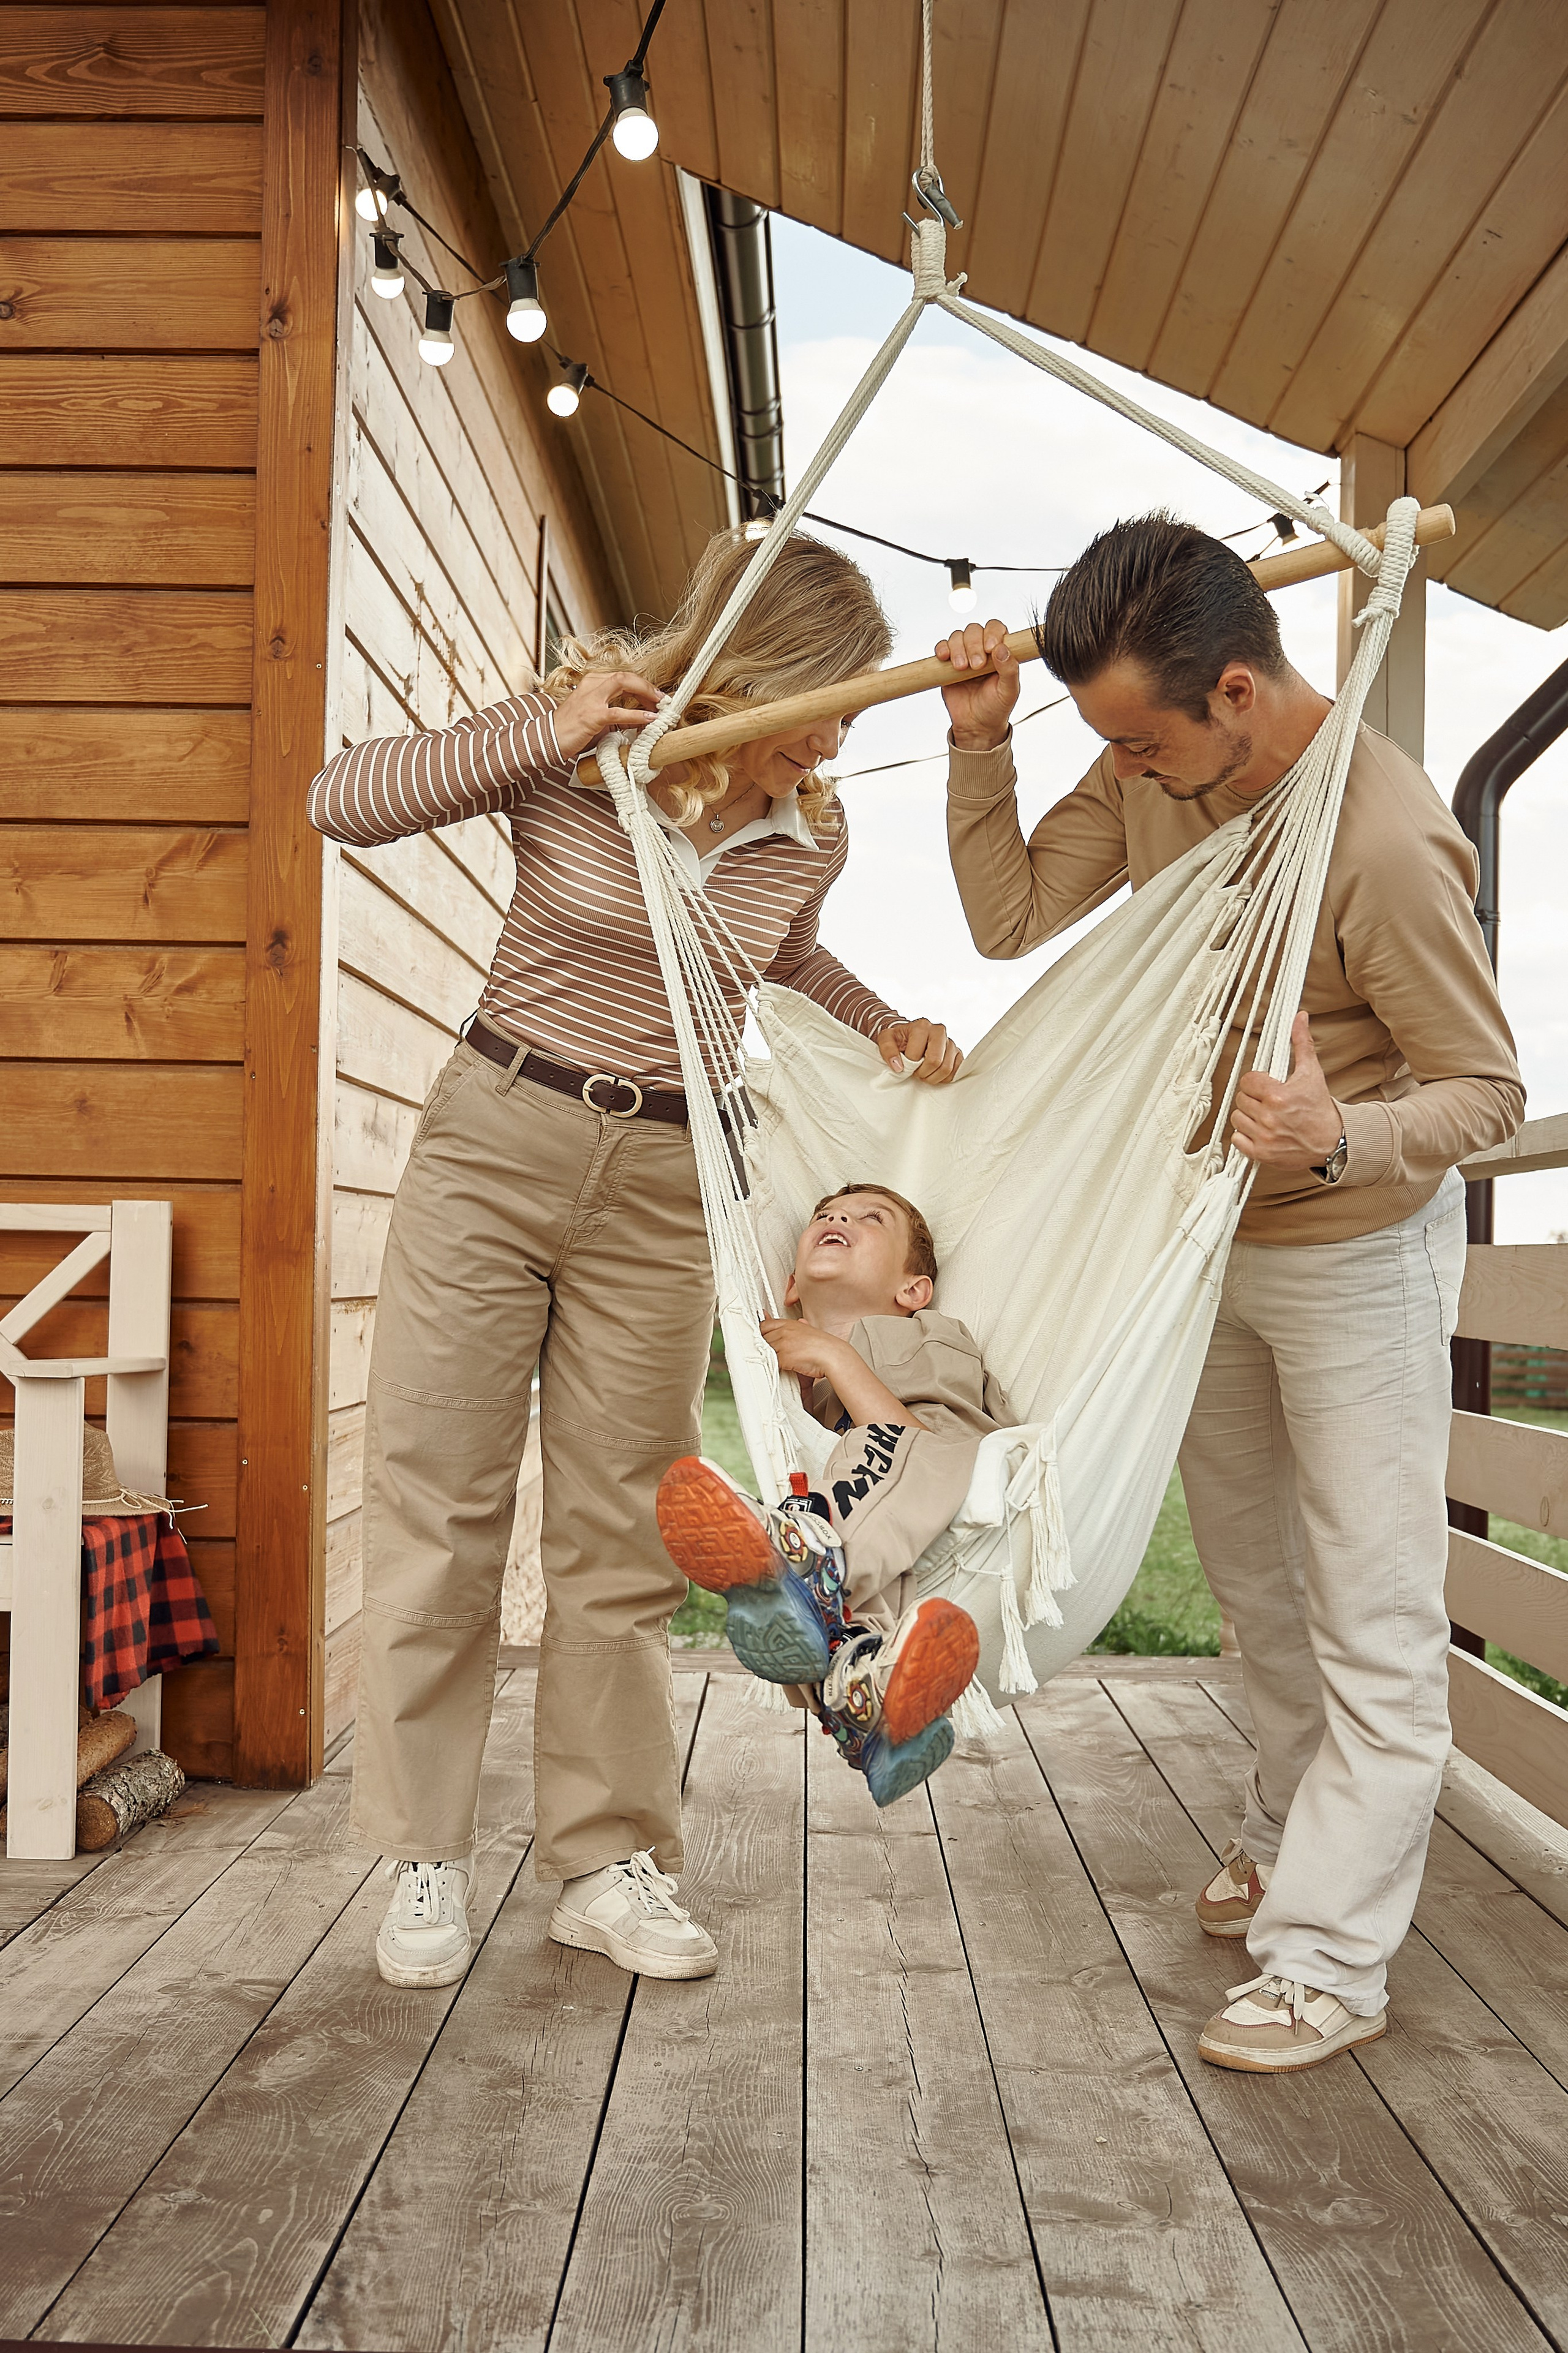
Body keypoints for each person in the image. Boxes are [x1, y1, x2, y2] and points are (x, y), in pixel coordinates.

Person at [307, 531, 964, 1991]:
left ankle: (605, 1859)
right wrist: (533, 730)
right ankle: (426, 1848)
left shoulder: (811, 824)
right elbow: (339, 802)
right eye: (831, 696)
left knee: (619, 1532)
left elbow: (779, 956)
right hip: (499, 1135)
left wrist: (884, 1024)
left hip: (670, 1177)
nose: (843, 731)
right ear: (755, 666)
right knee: (443, 1503)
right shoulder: (582, 749)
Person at [938, 513, 1523, 2073]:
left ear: (1240, 696)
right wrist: (982, 750)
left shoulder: (1380, 842)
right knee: (1259, 1590)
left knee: (1370, 1614)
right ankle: (1281, 1829)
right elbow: (1006, 918)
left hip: (1354, 1257)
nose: (1118, 769)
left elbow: (1484, 1090)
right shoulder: (1148, 757)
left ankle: (1332, 1959)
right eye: (1101, 743)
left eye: (1137, 742)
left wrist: (1344, 1133)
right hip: (1200, 1247)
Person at [656, 1182, 1001, 1805]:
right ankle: (871, 1711)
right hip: (892, 1517)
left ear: (912, 1289)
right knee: (851, 1619)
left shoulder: (920, 1333)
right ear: (791, 1285)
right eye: (825, 1215)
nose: (839, 1217)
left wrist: (837, 1358)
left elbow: (920, 1442)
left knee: (869, 1467)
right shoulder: (812, 1379)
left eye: (871, 1219)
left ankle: (808, 1563)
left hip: (950, 1455)